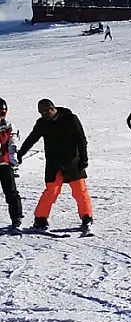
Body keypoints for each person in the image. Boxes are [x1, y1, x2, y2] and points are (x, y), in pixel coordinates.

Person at [17, 99, 94, 232]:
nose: (43, 116)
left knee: (80, 191)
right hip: (53, 164)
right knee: (51, 191)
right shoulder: (42, 123)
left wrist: (84, 159)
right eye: (41, 113)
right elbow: (32, 138)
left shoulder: (70, 119)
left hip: (73, 162)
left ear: (52, 109)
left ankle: (87, 217)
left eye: (45, 112)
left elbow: (81, 139)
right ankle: (40, 219)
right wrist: (21, 153)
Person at [0, 98, 23, 229]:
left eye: (2, 114)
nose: (0, 117)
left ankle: (16, 218)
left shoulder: (8, 126)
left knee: (11, 192)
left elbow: (13, 142)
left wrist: (13, 159)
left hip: (4, 163)